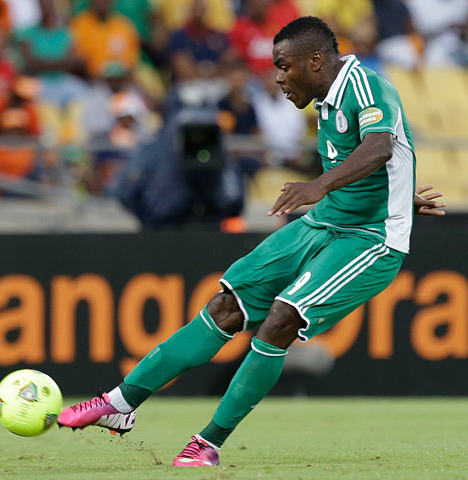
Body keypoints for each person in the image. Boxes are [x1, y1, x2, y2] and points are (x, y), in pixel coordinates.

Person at [57, 16, 446, 467]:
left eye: (284, 66)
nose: (278, 78)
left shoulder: (365, 86)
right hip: (323, 224)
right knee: (225, 307)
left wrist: (323, 186)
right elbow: (383, 160)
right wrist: (397, 194)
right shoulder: (327, 98)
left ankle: (208, 443)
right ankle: (119, 404)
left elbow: (379, 146)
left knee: (281, 318)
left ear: (316, 60)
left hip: (370, 240)